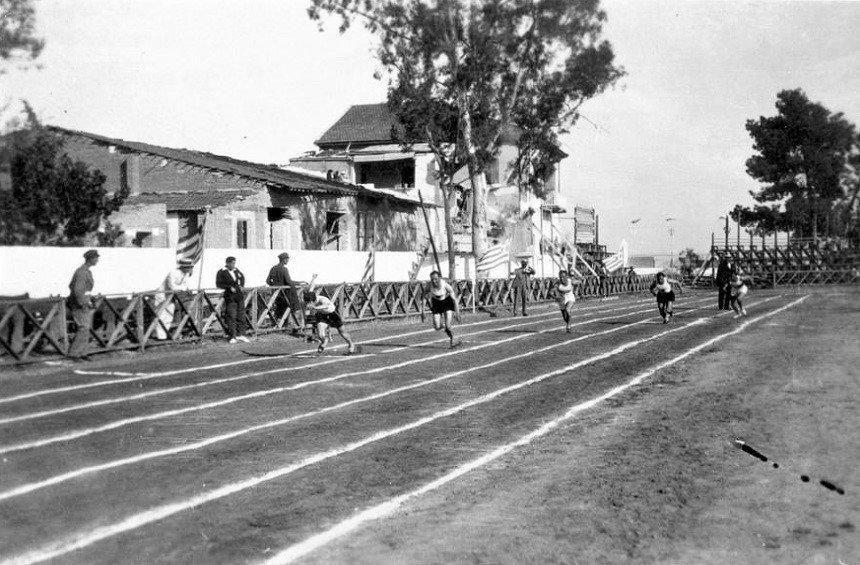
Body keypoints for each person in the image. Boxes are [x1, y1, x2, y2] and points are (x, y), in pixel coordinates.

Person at [66, 249, 99, 360]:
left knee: (86, 328)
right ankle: (74, 353)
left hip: (83, 303)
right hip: (80, 305)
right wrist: (84, 302)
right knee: (83, 328)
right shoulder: (82, 272)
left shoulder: (85, 271)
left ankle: (82, 352)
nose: (97, 260)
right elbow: (77, 290)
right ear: (91, 259)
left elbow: (73, 286)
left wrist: (89, 298)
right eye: (96, 258)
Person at [303, 290, 356, 355]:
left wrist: (315, 307)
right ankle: (324, 341)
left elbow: (325, 306)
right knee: (320, 334)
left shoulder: (323, 299)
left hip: (333, 314)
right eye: (307, 302)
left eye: (309, 302)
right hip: (322, 316)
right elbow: (307, 312)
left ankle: (351, 344)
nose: (308, 303)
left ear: (312, 300)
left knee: (342, 333)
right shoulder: (310, 302)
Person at [154, 260, 193, 340]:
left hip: (171, 297)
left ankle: (164, 336)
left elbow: (185, 285)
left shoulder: (186, 274)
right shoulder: (173, 273)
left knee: (169, 316)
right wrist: (184, 288)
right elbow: (172, 287)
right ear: (183, 267)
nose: (190, 269)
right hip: (162, 296)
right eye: (189, 267)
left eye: (190, 267)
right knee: (162, 315)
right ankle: (160, 337)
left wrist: (186, 288)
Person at [215, 256, 249, 344]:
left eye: (234, 263)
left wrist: (241, 285)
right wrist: (229, 288)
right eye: (232, 263)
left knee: (241, 315)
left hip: (239, 296)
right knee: (231, 316)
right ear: (227, 263)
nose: (234, 265)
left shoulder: (236, 270)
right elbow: (219, 284)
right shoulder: (222, 272)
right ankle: (233, 336)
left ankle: (241, 334)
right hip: (230, 297)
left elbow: (242, 277)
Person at [266, 252, 302, 326]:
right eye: (287, 259)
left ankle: (277, 325)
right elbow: (289, 281)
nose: (288, 261)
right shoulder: (284, 269)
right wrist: (299, 283)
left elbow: (268, 281)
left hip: (276, 294)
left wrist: (275, 286)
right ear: (284, 260)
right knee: (290, 307)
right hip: (285, 294)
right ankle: (289, 325)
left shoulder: (273, 268)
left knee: (279, 309)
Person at [427, 270, 460, 348]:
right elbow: (424, 295)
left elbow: (454, 300)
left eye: (436, 279)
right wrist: (422, 311)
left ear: (439, 278)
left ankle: (453, 338)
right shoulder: (429, 285)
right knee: (437, 327)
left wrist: (457, 312)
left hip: (446, 303)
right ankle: (446, 327)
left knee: (448, 326)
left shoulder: (445, 285)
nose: (434, 281)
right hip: (436, 304)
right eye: (432, 279)